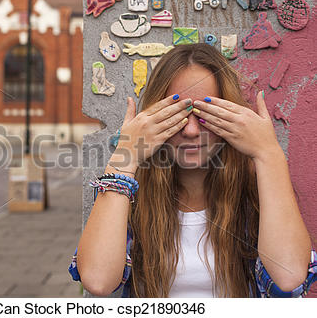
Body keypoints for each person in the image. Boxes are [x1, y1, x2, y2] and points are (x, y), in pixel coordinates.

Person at [68, 43, 317, 297]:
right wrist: (125, 158)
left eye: (205, 114)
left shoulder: (257, 191)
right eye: (177, 115)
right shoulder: (130, 195)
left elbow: (289, 279)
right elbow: (98, 281)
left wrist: (268, 154)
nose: (191, 131)